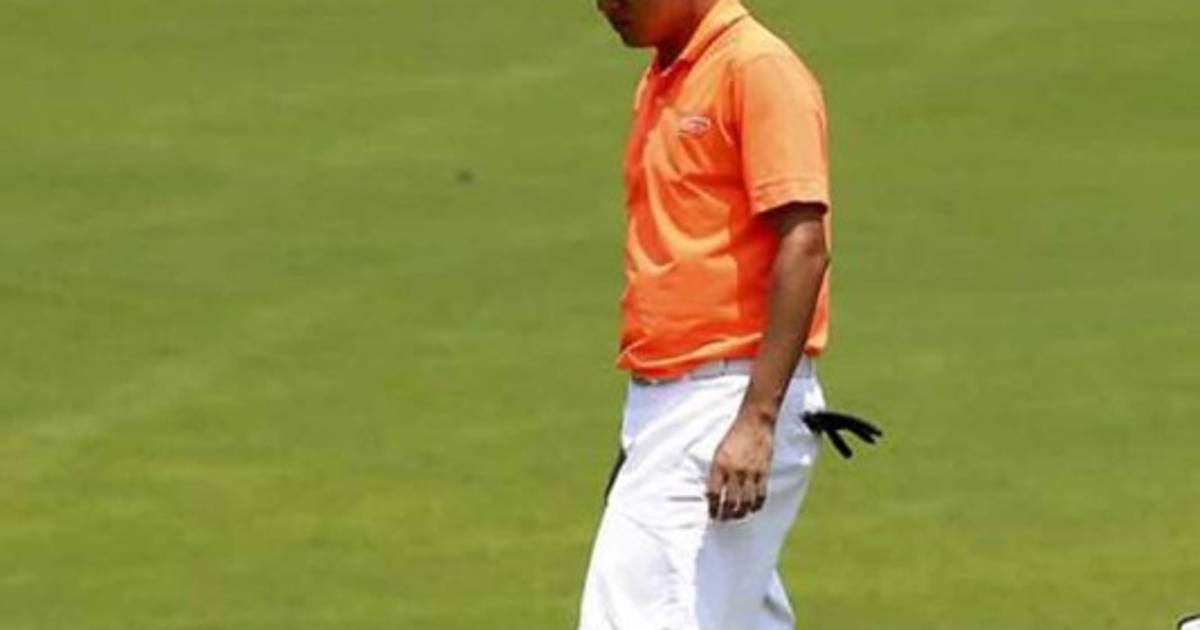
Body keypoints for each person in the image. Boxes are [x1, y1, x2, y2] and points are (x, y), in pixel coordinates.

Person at [579, 0, 844, 627]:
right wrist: (646, 430)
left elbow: (805, 244)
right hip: (677, 404)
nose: (607, 5)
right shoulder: (665, 76)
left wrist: (755, 419)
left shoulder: (755, 67)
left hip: (726, 397)